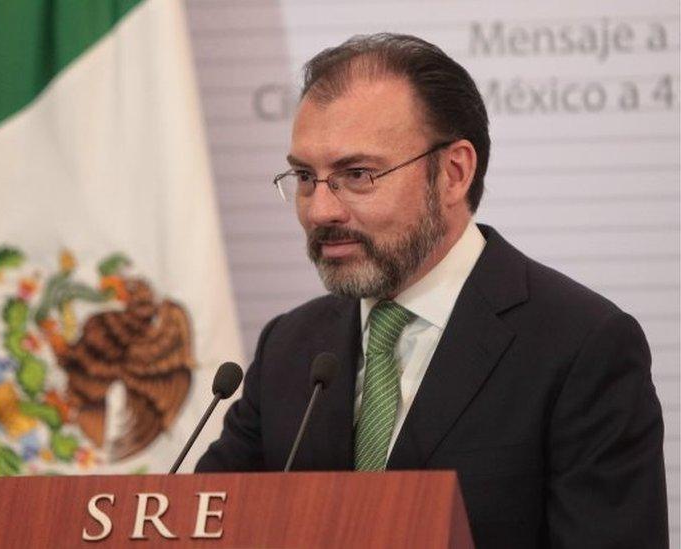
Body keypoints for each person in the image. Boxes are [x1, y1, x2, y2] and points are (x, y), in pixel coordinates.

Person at [195, 33, 668, 548]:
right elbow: (200, 524)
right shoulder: (290, 346)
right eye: (306, 177)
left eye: (357, 174)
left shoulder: (581, 346)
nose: (320, 210)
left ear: (453, 173)